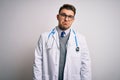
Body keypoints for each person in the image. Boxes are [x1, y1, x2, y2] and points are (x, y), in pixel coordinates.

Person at [33, 4, 91, 80]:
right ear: (57, 17)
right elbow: (37, 64)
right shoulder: (44, 37)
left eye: (70, 16)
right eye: (63, 15)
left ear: (73, 19)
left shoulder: (81, 39)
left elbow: (85, 66)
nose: (66, 19)